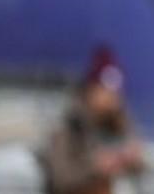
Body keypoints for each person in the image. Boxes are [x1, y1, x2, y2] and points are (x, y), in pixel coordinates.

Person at [37, 47, 145, 194]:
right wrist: (96, 167)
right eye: (104, 90)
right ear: (91, 90)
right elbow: (60, 176)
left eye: (114, 92)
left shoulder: (121, 124)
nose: (110, 97)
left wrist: (134, 161)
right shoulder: (70, 126)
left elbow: (141, 167)